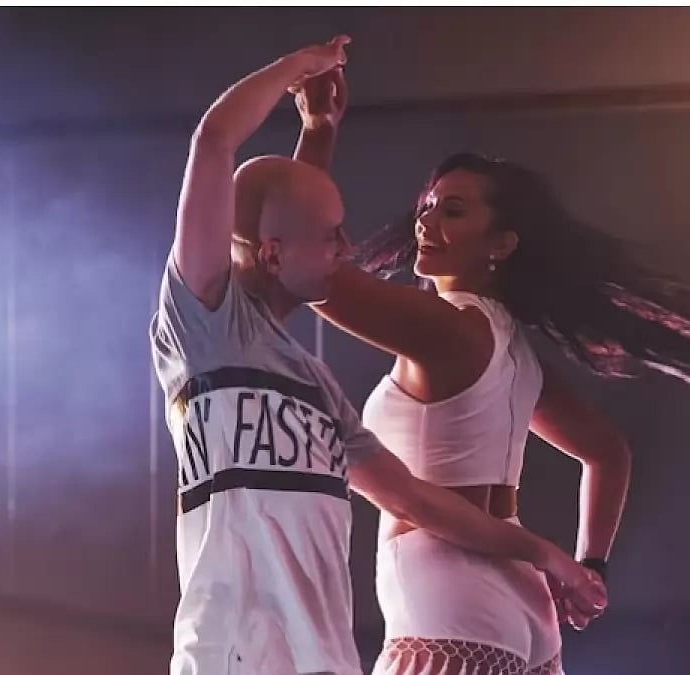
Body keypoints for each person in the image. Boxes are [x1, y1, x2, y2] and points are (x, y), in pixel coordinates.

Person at [292, 68, 690, 674]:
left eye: (453, 211)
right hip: (522, 606)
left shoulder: (447, 328)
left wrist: (317, 133)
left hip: (447, 602)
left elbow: (308, 270)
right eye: (428, 206)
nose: (426, 222)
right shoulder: (513, 348)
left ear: (501, 243)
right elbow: (607, 453)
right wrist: (591, 564)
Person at [148, 36, 606, 675]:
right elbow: (217, 143)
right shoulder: (202, 326)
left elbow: (419, 501)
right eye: (333, 235)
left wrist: (548, 555)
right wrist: (294, 72)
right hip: (232, 654)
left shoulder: (319, 388)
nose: (347, 247)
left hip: (331, 658)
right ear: (275, 252)